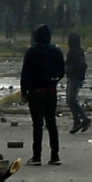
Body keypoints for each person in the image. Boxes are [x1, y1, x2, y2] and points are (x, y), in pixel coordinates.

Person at [21, 24, 65, 166]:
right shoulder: (56, 51)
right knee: (51, 124)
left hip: (36, 93)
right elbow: (62, 72)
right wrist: (52, 82)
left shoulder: (32, 51)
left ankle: (37, 156)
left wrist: (24, 91)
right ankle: (55, 156)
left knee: (38, 125)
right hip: (51, 92)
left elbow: (25, 73)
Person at [66, 32, 91, 134]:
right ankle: (80, 120)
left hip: (75, 78)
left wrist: (68, 69)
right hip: (74, 77)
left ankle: (82, 120)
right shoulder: (75, 51)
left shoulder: (75, 51)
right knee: (70, 100)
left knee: (71, 99)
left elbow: (81, 65)